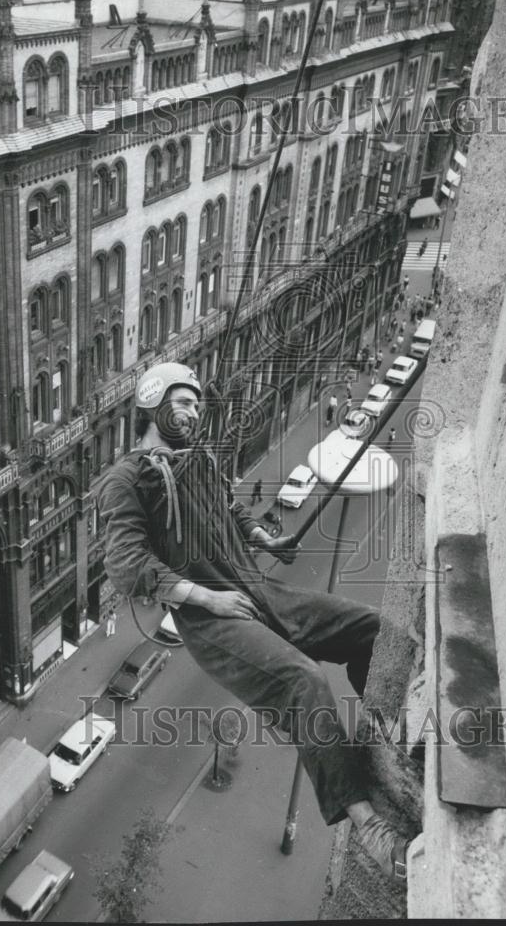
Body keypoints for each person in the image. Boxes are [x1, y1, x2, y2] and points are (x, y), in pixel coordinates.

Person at [98, 362, 409, 881]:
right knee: (304, 682)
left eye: (198, 404)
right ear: (153, 404)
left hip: (260, 590)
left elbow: (228, 510)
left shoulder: (197, 462)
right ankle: (369, 825)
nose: (194, 412)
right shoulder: (126, 479)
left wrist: (264, 538)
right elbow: (127, 566)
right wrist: (208, 599)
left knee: (370, 628)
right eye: (183, 402)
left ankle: (383, 723)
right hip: (213, 620)